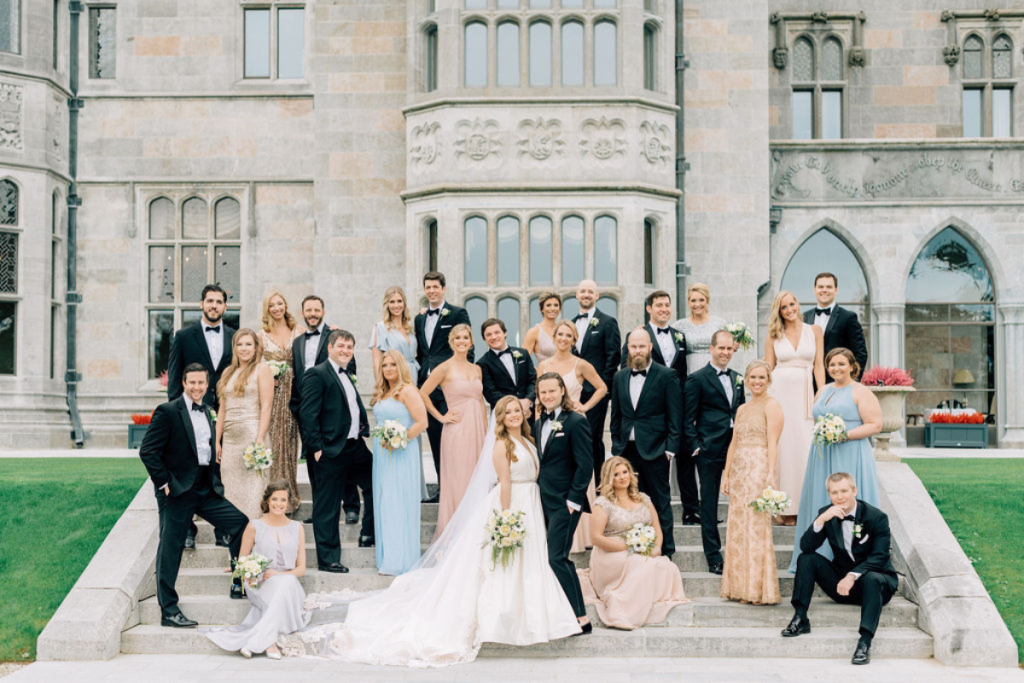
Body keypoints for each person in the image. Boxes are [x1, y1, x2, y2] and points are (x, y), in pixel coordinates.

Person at [277, 395, 581, 666]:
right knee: (501, 564)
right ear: (500, 418)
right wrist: (504, 520)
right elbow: (503, 484)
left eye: (517, 410)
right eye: (508, 411)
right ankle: (501, 619)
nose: (514, 415)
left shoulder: (528, 439)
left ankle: (523, 614)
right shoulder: (502, 445)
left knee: (526, 564)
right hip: (511, 507)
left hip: (530, 504)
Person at [139, 363, 248, 627]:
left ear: (207, 384)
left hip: (205, 487)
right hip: (177, 490)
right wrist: (164, 483)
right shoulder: (168, 411)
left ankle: (238, 581)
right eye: (192, 383)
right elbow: (148, 451)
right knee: (171, 548)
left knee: (239, 523)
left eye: (202, 383)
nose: (197, 388)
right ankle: (169, 610)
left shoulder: (210, 411)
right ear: (184, 383)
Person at [782, 472, 898, 666]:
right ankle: (800, 617)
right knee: (807, 559)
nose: (840, 496)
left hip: (875, 585)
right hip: (841, 586)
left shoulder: (876, 517)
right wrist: (820, 521)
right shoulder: (827, 513)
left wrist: (852, 576)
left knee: (872, 578)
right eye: (834, 492)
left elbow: (879, 556)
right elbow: (806, 547)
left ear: (854, 491)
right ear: (829, 495)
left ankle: (865, 641)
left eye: (844, 491)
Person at [788, 348, 882, 574]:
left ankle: (854, 558)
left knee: (845, 499)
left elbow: (876, 425)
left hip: (850, 451)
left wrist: (844, 435)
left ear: (852, 366)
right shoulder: (823, 389)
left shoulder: (861, 391)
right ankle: (820, 555)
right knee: (821, 498)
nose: (836, 369)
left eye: (841, 364)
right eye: (831, 365)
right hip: (822, 454)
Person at [579, 456, 689, 630]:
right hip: (610, 554)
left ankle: (638, 601)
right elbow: (596, 538)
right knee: (640, 563)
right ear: (609, 478)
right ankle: (619, 607)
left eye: (625, 472)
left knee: (667, 567)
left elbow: (657, 529)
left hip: (640, 550)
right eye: (616, 474)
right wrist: (627, 547)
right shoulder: (602, 504)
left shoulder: (644, 499)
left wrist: (657, 547)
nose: (623, 477)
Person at [165, 284, 236, 549]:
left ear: (225, 306)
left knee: (221, 472)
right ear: (201, 304)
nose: (214, 305)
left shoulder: (234, 336)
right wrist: (176, 417)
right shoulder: (184, 336)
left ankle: (223, 530)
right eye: (209, 301)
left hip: (228, 413)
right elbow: (174, 381)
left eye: (219, 301)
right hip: (193, 413)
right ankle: (187, 529)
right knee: (189, 472)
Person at [204, 479, 308, 658]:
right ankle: (268, 641)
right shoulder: (254, 526)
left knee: (288, 581)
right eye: (275, 499)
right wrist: (252, 574)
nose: (278, 504)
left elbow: (302, 569)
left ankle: (264, 642)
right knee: (282, 588)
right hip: (260, 582)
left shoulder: (297, 528)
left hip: (288, 583)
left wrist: (279, 574)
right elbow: (242, 562)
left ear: (288, 502)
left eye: (283, 500)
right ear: (267, 500)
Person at [299, 329, 375, 573]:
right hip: (330, 450)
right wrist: (317, 449)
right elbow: (307, 414)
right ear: (330, 347)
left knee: (377, 483)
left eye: (349, 347)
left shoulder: (347, 374)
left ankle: (368, 533)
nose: (345, 350)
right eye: (341, 346)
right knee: (327, 506)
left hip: (355, 447)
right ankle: (328, 559)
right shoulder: (316, 374)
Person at [621, 289, 697, 526]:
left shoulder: (679, 336)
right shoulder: (637, 336)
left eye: (667, 304)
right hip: (648, 413)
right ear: (649, 309)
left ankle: (691, 509)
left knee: (684, 455)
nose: (664, 308)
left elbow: (682, 372)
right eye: (659, 305)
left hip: (676, 406)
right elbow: (629, 371)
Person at [610, 328, 683, 559]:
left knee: (660, 503)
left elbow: (675, 416)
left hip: (656, 451)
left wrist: (670, 450)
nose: (638, 351)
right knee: (628, 503)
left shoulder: (666, 375)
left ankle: (666, 554)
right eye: (633, 347)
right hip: (626, 452)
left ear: (650, 347)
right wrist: (616, 445)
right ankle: (634, 551)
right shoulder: (619, 376)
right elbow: (617, 416)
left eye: (642, 346)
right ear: (628, 349)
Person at [536, 319, 607, 552]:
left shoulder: (581, 364)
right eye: (560, 335)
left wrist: (585, 407)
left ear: (574, 340)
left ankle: (581, 536)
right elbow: (539, 397)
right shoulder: (544, 365)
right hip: (548, 423)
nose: (564, 339)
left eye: (569, 336)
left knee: (579, 469)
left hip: (574, 423)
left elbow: (602, 388)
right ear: (554, 338)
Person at [290, 295, 361, 525]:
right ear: (303, 313)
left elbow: (349, 366)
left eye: (316, 310)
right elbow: (297, 373)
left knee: (343, 456)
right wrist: (297, 405)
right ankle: (320, 508)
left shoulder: (335, 335)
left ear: (323, 311)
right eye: (308, 310)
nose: (312, 313)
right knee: (314, 462)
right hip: (308, 409)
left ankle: (351, 506)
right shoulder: (298, 342)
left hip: (333, 409)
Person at [720, 360, 783, 605]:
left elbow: (773, 442)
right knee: (738, 527)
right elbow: (733, 443)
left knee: (756, 526)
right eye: (753, 377)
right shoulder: (742, 409)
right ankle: (741, 588)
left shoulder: (772, 405)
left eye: (762, 378)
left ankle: (758, 589)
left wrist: (770, 473)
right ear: (746, 380)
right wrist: (727, 474)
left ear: (768, 380)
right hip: (739, 469)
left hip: (758, 467)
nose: (757, 382)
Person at [684, 330, 746, 574]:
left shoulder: (739, 378)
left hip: (736, 448)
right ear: (711, 348)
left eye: (729, 349)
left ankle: (741, 551)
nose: (725, 352)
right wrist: (696, 446)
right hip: (709, 449)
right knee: (708, 505)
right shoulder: (697, 379)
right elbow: (687, 419)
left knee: (740, 502)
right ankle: (714, 557)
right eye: (721, 348)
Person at [536, 372, 594, 633]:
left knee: (557, 557)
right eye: (542, 392)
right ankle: (561, 614)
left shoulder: (575, 421)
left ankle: (581, 618)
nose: (547, 396)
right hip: (543, 501)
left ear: (562, 390)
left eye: (551, 391)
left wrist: (574, 500)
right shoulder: (538, 423)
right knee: (553, 557)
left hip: (566, 502)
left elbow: (585, 464)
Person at [419, 323, 487, 537]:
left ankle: (475, 533)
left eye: (465, 338)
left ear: (471, 341)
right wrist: (440, 417)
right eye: (457, 338)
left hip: (478, 431)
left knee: (477, 480)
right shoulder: (444, 367)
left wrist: (486, 435)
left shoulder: (477, 369)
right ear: (451, 342)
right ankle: (456, 535)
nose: (461, 341)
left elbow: (480, 402)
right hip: (456, 431)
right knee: (459, 480)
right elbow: (422, 393)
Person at [765, 290, 824, 526]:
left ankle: (806, 507)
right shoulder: (773, 335)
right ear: (778, 311)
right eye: (784, 307)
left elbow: (819, 365)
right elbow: (768, 366)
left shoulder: (815, 331)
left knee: (804, 447)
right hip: (779, 394)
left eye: (792, 304)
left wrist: (822, 391)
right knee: (785, 447)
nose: (789, 310)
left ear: (798, 303)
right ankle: (785, 509)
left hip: (805, 394)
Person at [413, 271, 473, 503]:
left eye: (435, 287)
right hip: (426, 390)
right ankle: (443, 488)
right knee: (437, 442)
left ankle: (462, 488)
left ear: (444, 288)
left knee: (456, 441)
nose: (431, 291)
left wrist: (465, 378)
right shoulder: (419, 318)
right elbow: (421, 353)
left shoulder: (458, 313)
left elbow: (467, 346)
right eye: (427, 287)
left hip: (450, 389)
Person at [368, 351, 428, 575]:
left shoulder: (408, 391)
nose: (388, 369)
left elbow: (422, 422)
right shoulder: (383, 391)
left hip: (402, 452)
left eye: (393, 364)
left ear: (401, 366)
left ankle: (401, 560)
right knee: (385, 502)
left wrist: (399, 440)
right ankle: (388, 557)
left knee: (398, 502)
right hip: (383, 454)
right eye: (385, 365)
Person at [370, 285, 428, 502]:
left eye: (399, 301)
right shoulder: (380, 327)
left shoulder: (411, 326)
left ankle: (415, 486)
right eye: (392, 302)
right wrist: (381, 387)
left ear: (405, 303)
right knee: (400, 423)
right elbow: (378, 361)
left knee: (415, 426)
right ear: (387, 305)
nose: (396, 305)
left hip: (413, 377)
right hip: (393, 379)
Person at [215, 328, 274, 521]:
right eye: (240, 344)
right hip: (230, 442)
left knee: (253, 493)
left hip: (252, 436)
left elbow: (266, 406)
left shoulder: (262, 369)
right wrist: (217, 441)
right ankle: (234, 536)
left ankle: (253, 538)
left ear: (256, 347)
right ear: (234, 348)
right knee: (231, 491)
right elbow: (222, 410)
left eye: (248, 344)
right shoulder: (227, 372)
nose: (244, 348)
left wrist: (259, 438)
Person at [257, 291, 305, 514]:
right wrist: (269, 378)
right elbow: (256, 367)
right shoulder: (261, 335)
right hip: (273, 397)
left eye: (280, 303)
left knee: (291, 443)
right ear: (267, 309)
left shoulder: (299, 331)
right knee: (274, 444)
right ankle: (273, 495)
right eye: (272, 305)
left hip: (296, 394)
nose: (276, 308)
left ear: (285, 305)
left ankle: (290, 493)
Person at [571, 279, 621, 484]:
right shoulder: (572, 323)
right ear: (576, 295)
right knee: (576, 437)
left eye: (590, 291)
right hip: (574, 391)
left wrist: (604, 388)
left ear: (597, 296)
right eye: (582, 291)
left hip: (596, 392)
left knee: (592, 436)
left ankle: (599, 484)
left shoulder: (608, 322)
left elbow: (613, 357)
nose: (586, 294)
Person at [803, 272, 868, 381]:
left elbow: (860, 353)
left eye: (829, 287)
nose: (824, 290)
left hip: (838, 382)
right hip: (809, 383)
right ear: (815, 289)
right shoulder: (804, 318)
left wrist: (852, 381)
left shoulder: (848, 317)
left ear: (836, 290)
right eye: (820, 287)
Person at [478, 317, 536, 416]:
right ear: (484, 338)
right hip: (503, 414)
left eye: (497, 332)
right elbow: (491, 393)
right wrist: (516, 406)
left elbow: (533, 380)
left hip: (529, 412)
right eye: (489, 334)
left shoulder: (523, 353)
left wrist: (527, 400)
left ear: (505, 333)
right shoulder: (482, 363)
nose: (493, 337)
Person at [671, 282, 727, 375]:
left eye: (701, 300)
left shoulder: (719, 324)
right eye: (693, 301)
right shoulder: (679, 326)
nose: (697, 304)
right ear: (688, 302)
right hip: (690, 373)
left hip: (715, 372)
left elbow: (728, 347)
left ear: (707, 301)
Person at [523, 291, 561, 363]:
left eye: (556, 305)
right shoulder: (534, 332)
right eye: (548, 305)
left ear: (559, 308)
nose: (552, 308)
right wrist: (537, 371)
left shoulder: (563, 330)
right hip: (545, 373)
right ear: (542, 309)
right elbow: (523, 360)